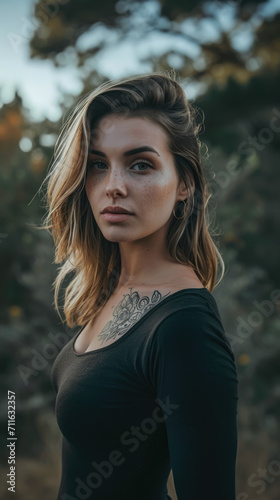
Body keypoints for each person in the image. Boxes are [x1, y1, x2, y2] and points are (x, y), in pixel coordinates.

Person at [43, 70, 239, 499]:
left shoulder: (185, 325)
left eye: (140, 165)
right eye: (98, 164)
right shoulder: (108, 291)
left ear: (184, 184)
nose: (113, 186)